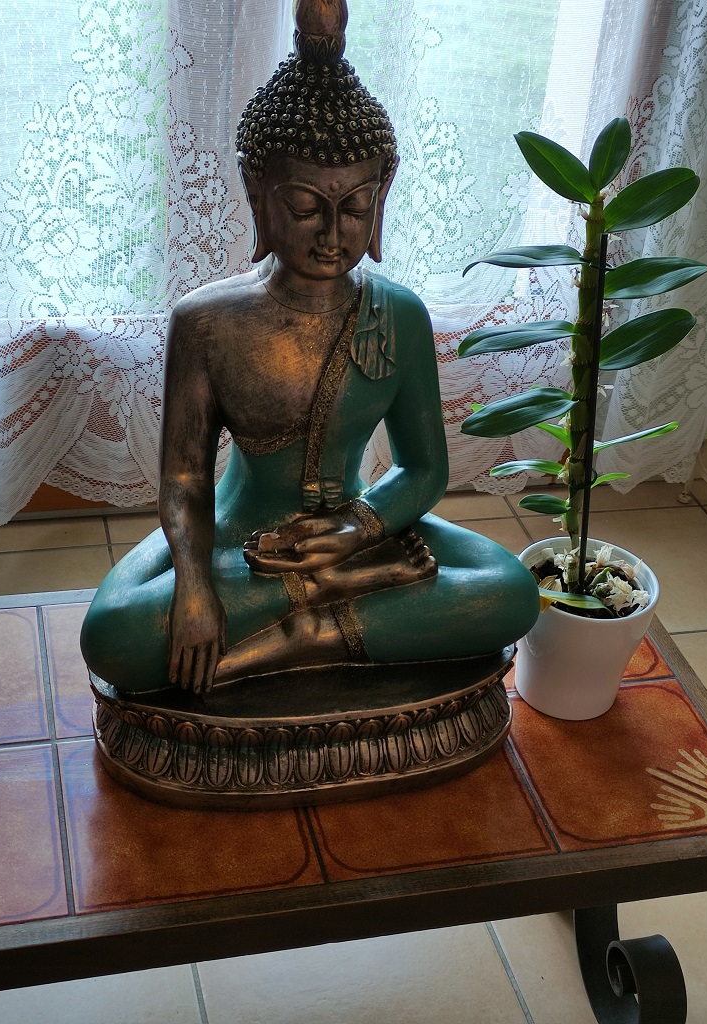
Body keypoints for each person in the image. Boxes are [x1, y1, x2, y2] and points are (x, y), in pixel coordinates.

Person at [80, 1, 539, 697]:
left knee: (508, 590)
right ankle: (340, 603)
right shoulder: (206, 321)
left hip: (356, 533)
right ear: (258, 192)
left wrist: (358, 528)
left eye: (354, 208)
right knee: (114, 633)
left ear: (381, 196)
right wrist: (197, 586)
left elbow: (421, 470)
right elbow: (184, 480)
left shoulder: (398, 315)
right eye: (305, 208)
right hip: (241, 541)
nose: (332, 234)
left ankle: (309, 632)